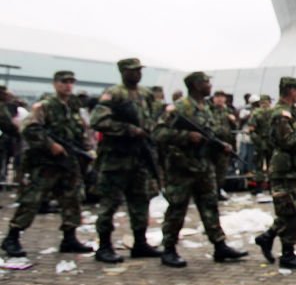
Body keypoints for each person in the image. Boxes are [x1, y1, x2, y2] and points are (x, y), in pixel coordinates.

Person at [152, 72, 248, 268]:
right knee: (177, 209)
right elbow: (158, 132)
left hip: (204, 166)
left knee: (210, 206)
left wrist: (221, 146)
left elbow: (209, 135)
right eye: (206, 82)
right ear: (195, 85)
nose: (209, 85)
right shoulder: (180, 107)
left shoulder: (207, 108)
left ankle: (219, 245)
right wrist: (186, 136)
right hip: (182, 168)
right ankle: (168, 249)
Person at [2, 71, 93, 257]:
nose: (68, 85)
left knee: (72, 199)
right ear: (55, 84)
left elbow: (80, 132)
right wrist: (50, 145)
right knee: (32, 200)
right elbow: (28, 128)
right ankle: (12, 237)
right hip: (46, 163)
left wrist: (87, 149)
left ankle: (69, 237)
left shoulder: (73, 107)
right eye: (64, 82)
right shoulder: (45, 106)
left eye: (70, 82)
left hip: (68, 162)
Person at [90, 58, 162, 264]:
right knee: (109, 204)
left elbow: (151, 119)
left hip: (139, 158)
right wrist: (128, 130)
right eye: (133, 71)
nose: (137, 74)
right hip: (116, 159)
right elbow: (98, 120)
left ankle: (140, 243)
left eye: (139, 70)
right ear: (123, 72)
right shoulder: (114, 94)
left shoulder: (145, 94)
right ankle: (104, 246)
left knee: (140, 202)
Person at [254, 77, 296, 269]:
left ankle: (268, 238)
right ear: (291, 90)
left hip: (292, 169)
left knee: (291, 211)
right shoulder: (281, 114)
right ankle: (287, 254)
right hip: (286, 170)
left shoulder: (288, 112)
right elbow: (286, 141)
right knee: (291, 211)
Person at [209, 89, 237, 198]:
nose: (220, 99)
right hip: (214, 144)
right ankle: (212, 192)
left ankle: (218, 190)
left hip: (226, 145)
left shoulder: (227, 111)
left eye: (222, 97)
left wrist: (233, 121)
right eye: (217, 97)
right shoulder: (210, 110)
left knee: (222, 170)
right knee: (212, 171)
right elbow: (211, 127)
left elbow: (233, 128)